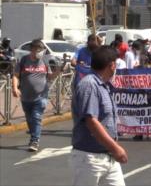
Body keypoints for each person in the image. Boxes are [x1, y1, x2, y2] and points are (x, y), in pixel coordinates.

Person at [71, 46, 128, 186]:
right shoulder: (90, 85)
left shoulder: (104, 85)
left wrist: (112, 148)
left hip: (108, 157)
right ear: (112, 65)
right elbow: (91, 121)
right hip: (89, 159)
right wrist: (115, 148)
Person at [12, 39, 58, 152]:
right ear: (32, 50)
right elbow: (16, 75)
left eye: (42, 50)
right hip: (26, 97)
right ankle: (34, 135)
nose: (41, 52)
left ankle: (34, 140)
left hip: (41, 96)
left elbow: (50, 77)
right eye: (38, 50)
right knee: (29, 119)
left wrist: (59, 71)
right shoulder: (24, 60)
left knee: (36, 117)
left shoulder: (45, 61)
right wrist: (14, 88)